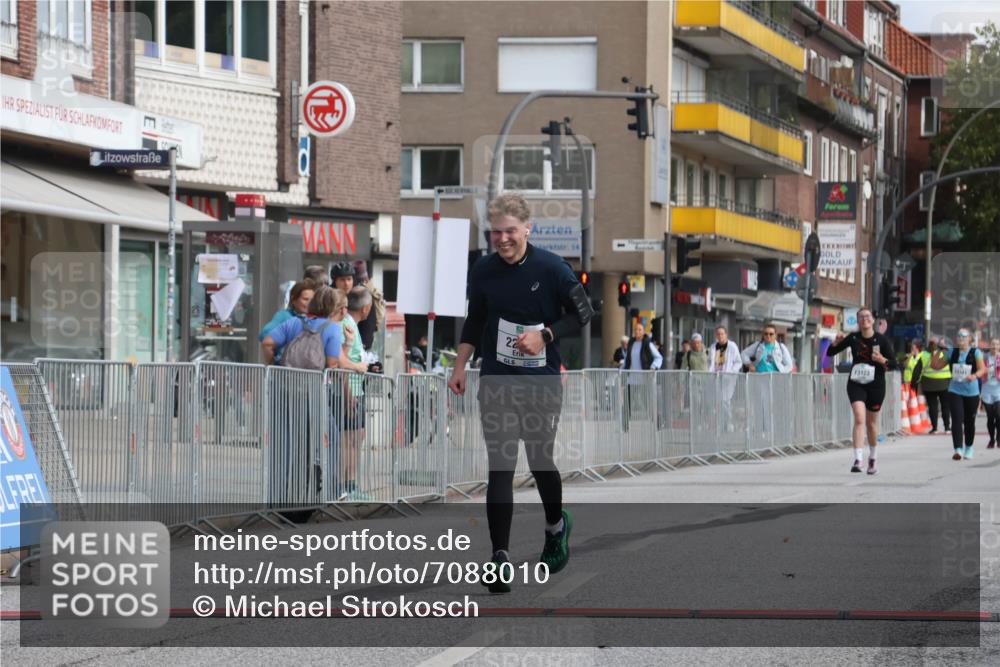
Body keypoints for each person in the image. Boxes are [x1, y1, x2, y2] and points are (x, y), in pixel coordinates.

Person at [447, 192, 593, 593]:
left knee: (540, 457)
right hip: (496, 379)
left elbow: (583, 312)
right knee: (501, 464)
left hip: (541, 380)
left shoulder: (551, 268)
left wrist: (544, 335)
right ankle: (499, 558)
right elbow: (475, 319)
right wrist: (460, 366)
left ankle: (556, 525)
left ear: (528, 228)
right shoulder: (483, 269)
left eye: (510, 231)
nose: (503, 239)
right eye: (496, 232)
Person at [825, 307, 897, 474]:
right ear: (857, 321)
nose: (864, 319)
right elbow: (830, 352)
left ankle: (872, 458)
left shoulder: (882, 340)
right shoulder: (853, 338)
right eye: (861, 317)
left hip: (876, 385)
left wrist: (882, 359)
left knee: (871, 424)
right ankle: (858, 459)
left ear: (873, 320)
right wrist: (835, 343)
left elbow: (894, 363)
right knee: (859, 418)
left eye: (867, 316)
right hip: (856, 383)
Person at [339, 287, 374, 501]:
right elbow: (341, 361)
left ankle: (350, 485)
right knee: (350, 440)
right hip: (349, 390)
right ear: (366, 308)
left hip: (354, 388)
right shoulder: (348, 325)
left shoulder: (351, 324)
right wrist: (349, 394)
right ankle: (347, 487)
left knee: (355, 438)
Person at [933, 328, 986, 460]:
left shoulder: (976, 352)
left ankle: (969, 447)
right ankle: (958, 449)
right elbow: (936, 366)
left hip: (972, 392)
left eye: (964, 336)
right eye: (959, 336)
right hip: (955, 390)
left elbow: (982, 369)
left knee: (969, 421)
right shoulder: (951, 353)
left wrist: (974, 376)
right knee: (956, 420)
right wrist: (938, 351)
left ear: (969, 339)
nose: (961, 338)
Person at [259, 278, 315, 345]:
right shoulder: (284, 316)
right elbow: (264, 335)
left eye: (312, 300)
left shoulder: (315, 318)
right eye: (305, 299)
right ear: (294, 300)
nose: (309, 303)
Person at [351, 260, 385, 353]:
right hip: (364, 343)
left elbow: (369, 324)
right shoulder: (368, 292)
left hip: (361, 344)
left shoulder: (363, 295)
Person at [983, 338, 1000, 449]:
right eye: (993, 344)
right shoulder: (985, 357)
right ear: (990, 345)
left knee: (998, 416)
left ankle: (999, 439)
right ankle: (991, 439)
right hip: (986, 389)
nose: (994, 346)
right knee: (990, 417)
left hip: (998, 389)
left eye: (997, 344)